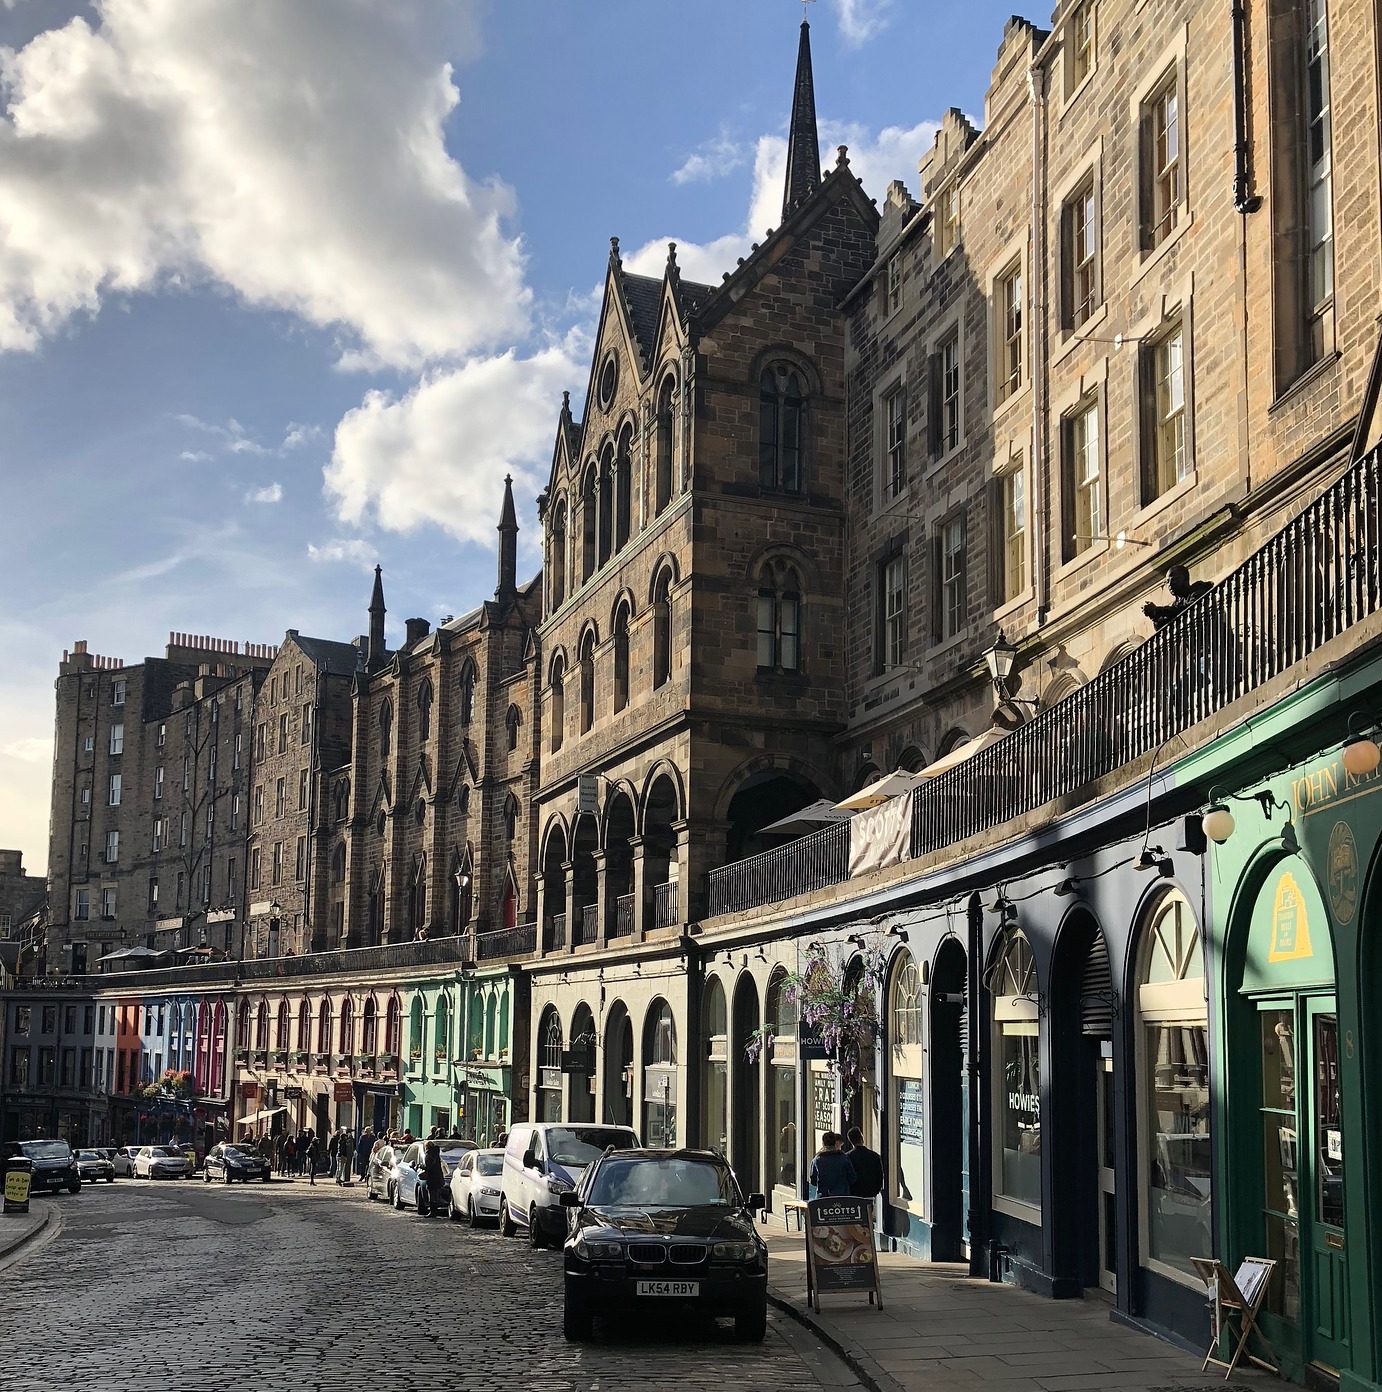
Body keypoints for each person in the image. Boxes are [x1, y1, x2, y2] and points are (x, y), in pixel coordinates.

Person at [809, 1132, 856, 1198]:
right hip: (842, 1197)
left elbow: (813, 1181)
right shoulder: (844, 1158)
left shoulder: (817, 1160)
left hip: (824, 1197)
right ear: (834, 1142)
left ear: (823, 1143)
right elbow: (852, 1178)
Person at [843, 1126, 884, 1201]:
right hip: (870, 1194)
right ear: (862, 1138)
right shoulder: (875, 1156)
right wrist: (875, 1191)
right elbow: (880, 1176)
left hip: (853, 1195)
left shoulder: (847, 1157)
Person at [421, 1138, 446, 1217]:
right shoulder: (436, 1153)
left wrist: (422, 1166)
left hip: (432, 1177)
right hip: (438, 1176)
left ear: (427, 1147)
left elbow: (428, 1166)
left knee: (432, 1195)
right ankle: (434, 1211)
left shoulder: (428, 1155)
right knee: (435, 1194)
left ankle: (433, 1212)